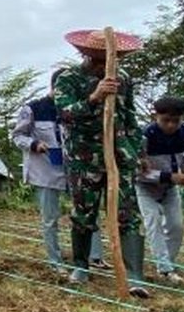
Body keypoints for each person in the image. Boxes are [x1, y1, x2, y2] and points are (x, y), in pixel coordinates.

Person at [53, 29, 150, 297]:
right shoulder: (68, 79)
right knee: (84, 212)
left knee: (128, 214)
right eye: (97, 60)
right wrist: (94, 98)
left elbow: (130, 117)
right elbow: (64, 114)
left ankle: (134, 276)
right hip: (84, 158)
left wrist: (136, 150)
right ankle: (81, 266)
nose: (103, 66)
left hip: (120, 156)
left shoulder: (124, 80)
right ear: (86, 56)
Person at [13, 71, 111, 273]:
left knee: (88, 212)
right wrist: (34, 144)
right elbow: (17, 136)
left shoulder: (81, 107)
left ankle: (94, 257)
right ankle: (55, 261)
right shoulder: (34, 108)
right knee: (50, 217)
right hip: (45, 170)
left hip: (76, 167)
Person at [136, 96, 184, 285]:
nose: (171, 125)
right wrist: (170, 176)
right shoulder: (144, 136)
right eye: (166, 120)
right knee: (153, 222)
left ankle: (168, 265)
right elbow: (138, 172)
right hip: (145, 186)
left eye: (176, 121)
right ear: (155, 116)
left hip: (171, 187)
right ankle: (165, 269)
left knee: (176, 226)